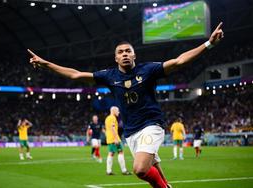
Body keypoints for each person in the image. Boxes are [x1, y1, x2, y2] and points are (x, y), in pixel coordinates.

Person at [28, 22, 223, 188]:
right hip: (130, 133)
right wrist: (46, 64)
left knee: (139, 169)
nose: (124, 54)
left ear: (134, 55)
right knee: (153, 169)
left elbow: (179, 61)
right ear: (116, 58)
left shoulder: (148, 70)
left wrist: (208, 44)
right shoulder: (109, 76)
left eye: (128, 51)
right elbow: (76, 75)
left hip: (151, 125)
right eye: (120, 52)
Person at [105, 106, 131, 175]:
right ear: (113, 111)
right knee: (120, 152)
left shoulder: (107, 118)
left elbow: (107, 129)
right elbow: (113, 128)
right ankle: (124, 170)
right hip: (114, 139)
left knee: (111, 153)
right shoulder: (113, 118)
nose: (118, 112)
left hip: (110, 138)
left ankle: (108, 171)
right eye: (117, 111)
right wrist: (116, 139)